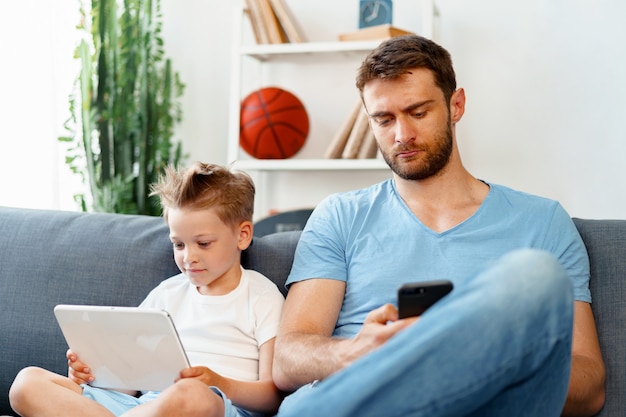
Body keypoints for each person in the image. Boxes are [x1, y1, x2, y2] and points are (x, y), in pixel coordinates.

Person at [270, 35, 606, 417]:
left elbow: (590, 384)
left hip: (480, 403)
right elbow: (286, 360)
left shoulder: (542, 221)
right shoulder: (339, 216)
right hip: (363, 398)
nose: (401, 135)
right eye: (384, 119)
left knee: (535, 274)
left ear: (456, 105)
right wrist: (355, 352)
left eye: (418, 112)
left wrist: (477, 362)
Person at [9, 162, 285, 417]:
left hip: (213, 406)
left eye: (203, 243)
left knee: (192, 395)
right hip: (143, 407)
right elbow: (129, 384)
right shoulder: (166, 294)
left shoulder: (261, 297)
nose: (188, 256)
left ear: (243, 235)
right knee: (26, 383)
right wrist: (90, 375)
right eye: (178, 244)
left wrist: (218, 382)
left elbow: (273, 395)